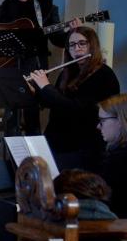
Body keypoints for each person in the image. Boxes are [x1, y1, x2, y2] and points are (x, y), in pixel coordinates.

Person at [0, 0, 71, 135]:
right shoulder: (8, 5)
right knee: (10, 113)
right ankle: (11, 155)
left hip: (35, 65)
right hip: (10, 64)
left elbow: (58, 40)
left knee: (31, 112)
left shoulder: (47, 7)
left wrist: (70, 32)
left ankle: (34, 159)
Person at [28, 26, 120, 170]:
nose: (76, 48)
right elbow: (56, 103)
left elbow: (76, 108)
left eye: (82, 43)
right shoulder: (68, 72)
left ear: (92, 46)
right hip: (57, 143)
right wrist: (36, 91)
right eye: (72, 45)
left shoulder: (103, 74)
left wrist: (46, 86)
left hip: (82, 147)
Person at [96, 93, 127, 218]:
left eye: (102, 121)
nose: (98, 126)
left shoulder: (122, 158)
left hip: (123, 226)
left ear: (121, 120)